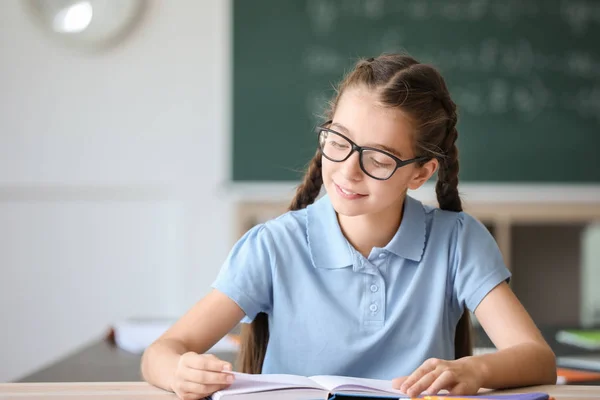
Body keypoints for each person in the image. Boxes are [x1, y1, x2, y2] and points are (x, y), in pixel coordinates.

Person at [141, 54, 556, 400]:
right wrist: (180, 371)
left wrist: (476, 369)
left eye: (378, 159)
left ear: (420, 173)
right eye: (338, 143)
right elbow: (161, 352)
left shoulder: (457, 241)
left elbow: (537, 358)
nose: (347, 171)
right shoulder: (274, 245)